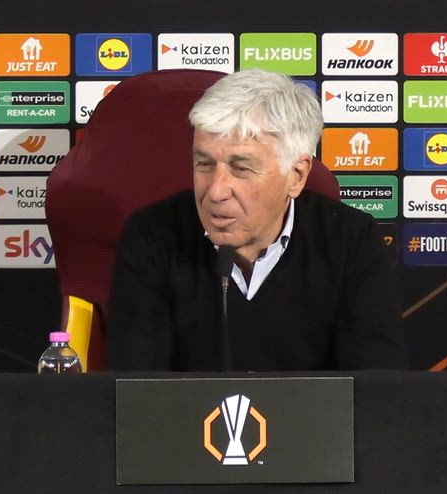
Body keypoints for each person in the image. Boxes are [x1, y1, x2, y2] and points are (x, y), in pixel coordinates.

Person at [107, 69, 406, 371]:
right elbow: (135, 387)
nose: (216, 191)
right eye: (204, 164)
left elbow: (374, 388)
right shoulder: (152, 235)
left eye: (241, 168)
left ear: (296, 176)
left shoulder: (352, 241)